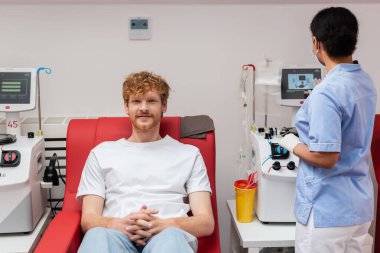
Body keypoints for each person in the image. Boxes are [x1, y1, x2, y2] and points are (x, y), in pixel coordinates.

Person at [76, 71, 214, 253]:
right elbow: (89, 220)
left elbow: (206, 222)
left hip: (169, 236)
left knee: (170, 240)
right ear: (126, 106)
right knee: (97, 235)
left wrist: (165, 224)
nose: (144, 108)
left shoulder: (189, 154)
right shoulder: (101, 153)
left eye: (151, 101)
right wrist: (117, 224)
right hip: (116, 236)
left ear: (164, 105)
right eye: (136, 101)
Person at [279, 7, 377, 253]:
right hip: (360, 209)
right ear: (353, 41)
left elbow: (326, 157)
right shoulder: (364, 81)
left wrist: (291, 143)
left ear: (316, 43)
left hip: (328, 215)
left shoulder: (326, 92)